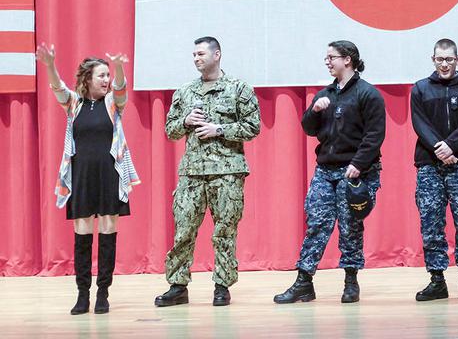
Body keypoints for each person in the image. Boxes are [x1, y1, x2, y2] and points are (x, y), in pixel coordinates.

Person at [274, 41, 386, 304]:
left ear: (347, 60)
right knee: (316, 223)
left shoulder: (368, 94)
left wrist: (357, 164)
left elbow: (375, 135)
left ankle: (350, 281)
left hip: (356, 172)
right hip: (326, 169)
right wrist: (314, 110)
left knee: (350, 227)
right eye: (326, 57)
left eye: (331, 57)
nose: (327, 61)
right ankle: (304, 282)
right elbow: (309, 129)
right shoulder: (325, 93)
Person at [155, 37, 261, 307]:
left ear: (217, 55)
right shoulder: (185, 91)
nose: (196, 58)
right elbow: (170, 130)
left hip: (228, 171)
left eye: (201, 53)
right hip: (192, 172)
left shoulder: (239, 88)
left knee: (225, 230)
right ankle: (177, 286)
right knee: (183, 230)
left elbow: (253, 126)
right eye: (193, 54)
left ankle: (222, 286)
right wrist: (185, 120)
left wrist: (220, 129)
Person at [37, 43, 139, 315]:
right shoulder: (74, 104)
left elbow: (120, 89)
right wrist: (49, 65)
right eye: (101, 75)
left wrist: (117, 66)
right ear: (87, 79)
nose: (106, 80)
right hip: (81, 176)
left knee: (107, 233)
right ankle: (83, 294)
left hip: (109, 175)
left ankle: (103, 293)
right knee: (82, 236)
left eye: (107, 75)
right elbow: (57, 87)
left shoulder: (112, 104)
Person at [410, 39, 458, 301]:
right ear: (433, 59)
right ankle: (437, 280)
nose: (444, 64)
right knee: (431, 223)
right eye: (440, 59)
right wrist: (438, 149)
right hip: (429, 165)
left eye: (449, 59)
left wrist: (451, 147)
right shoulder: (420, 89)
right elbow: (419, 123)